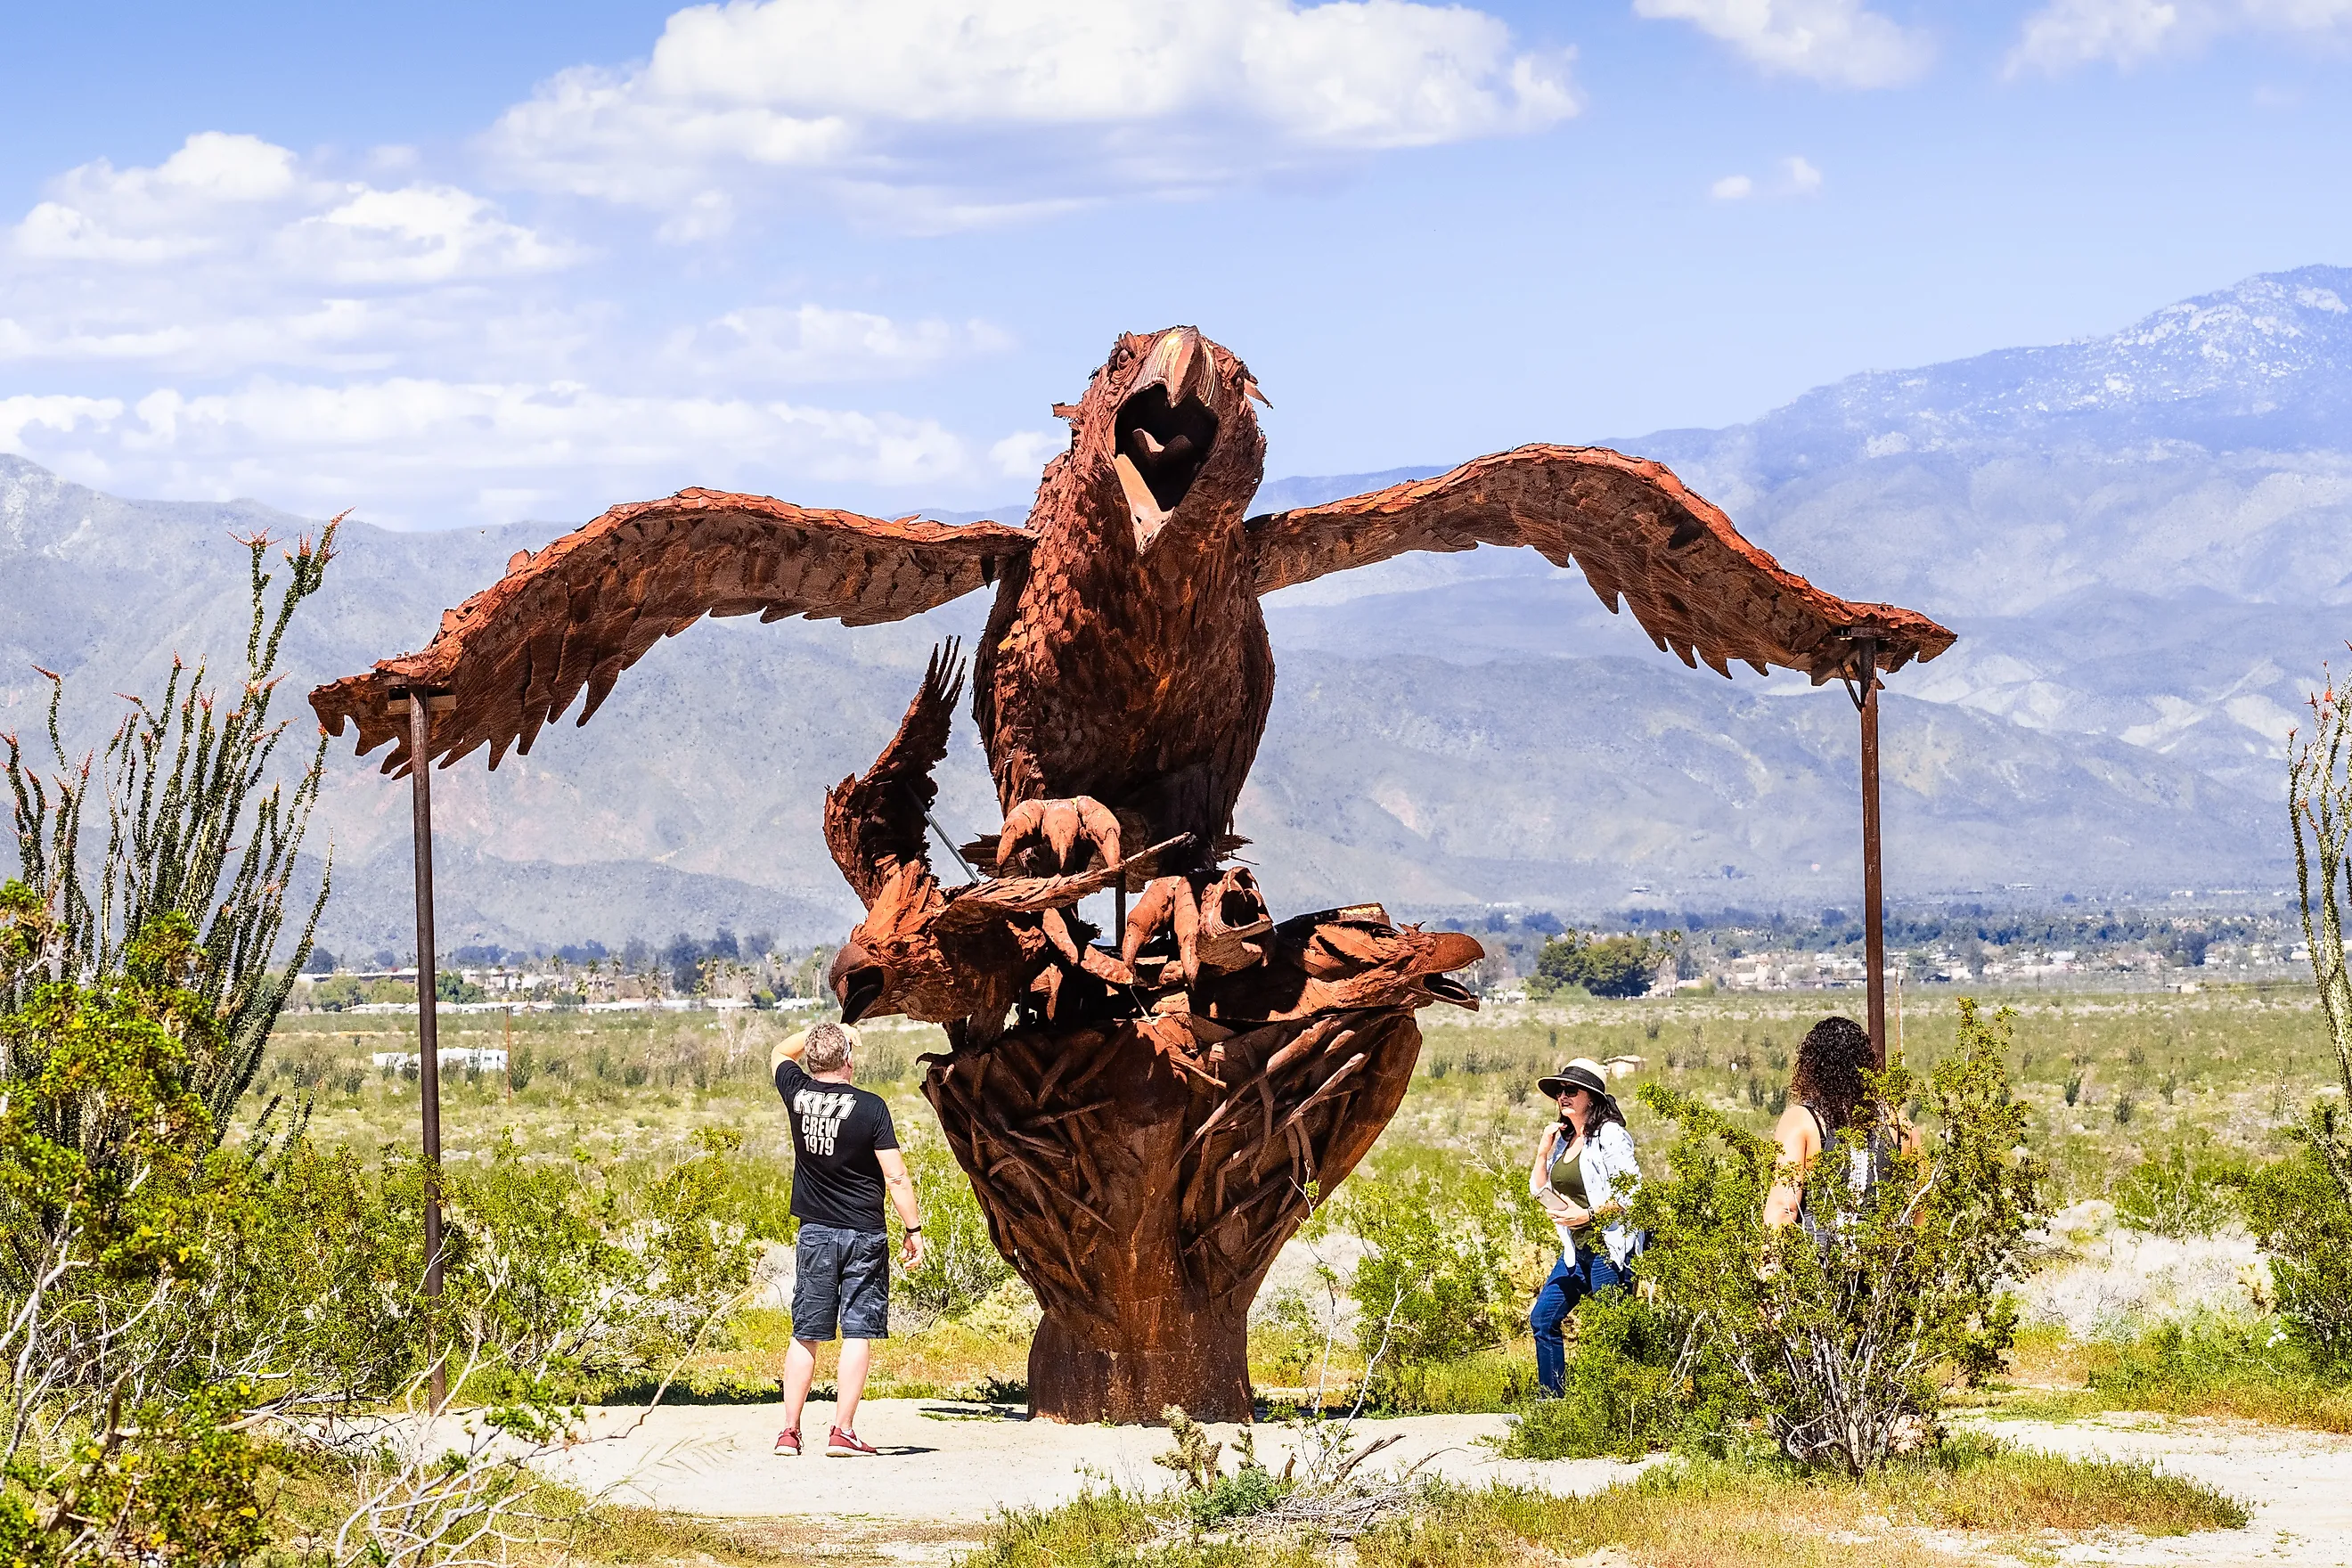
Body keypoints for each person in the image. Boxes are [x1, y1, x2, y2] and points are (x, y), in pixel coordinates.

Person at [770, 1022, 926, 1458]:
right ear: (848, 1062)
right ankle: (842, 1431)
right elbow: (895, 1175)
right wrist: (913, 1229)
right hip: (864, 1232)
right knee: (857, 1331)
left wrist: (825, 1031)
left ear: (813, 1061)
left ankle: (789, 1432)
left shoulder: (796, 1093)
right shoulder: (871, 1108)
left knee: (806, 1332)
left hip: (815, 1231)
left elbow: (779, 1054)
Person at [1526, 1057, 1641, 1396]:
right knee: (1543, 1319)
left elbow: (1632, 1194)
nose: (1563, 1096)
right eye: (1560, 1091)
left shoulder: (1610, 1136)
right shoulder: (1564, 1141)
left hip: (1609, 1250)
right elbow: (1538, 1190)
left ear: (1590, 1097)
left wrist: (1587, 1216)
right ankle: (1552, 1405)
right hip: (1576, 1252)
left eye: (1571, 1090)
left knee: (1613, 1330)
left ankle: (1619, 1408)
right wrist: (1542, 1152)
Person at [1762, 1016, 1921, 1232]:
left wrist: (1768, 1263)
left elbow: (1785, 1208)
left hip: (1818, 1263)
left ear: (1811, 1067)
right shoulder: (1899, 1125)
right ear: (1867, 1064)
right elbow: (1922, 1204)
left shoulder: (1802, 1122)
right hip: (1884, 1261)